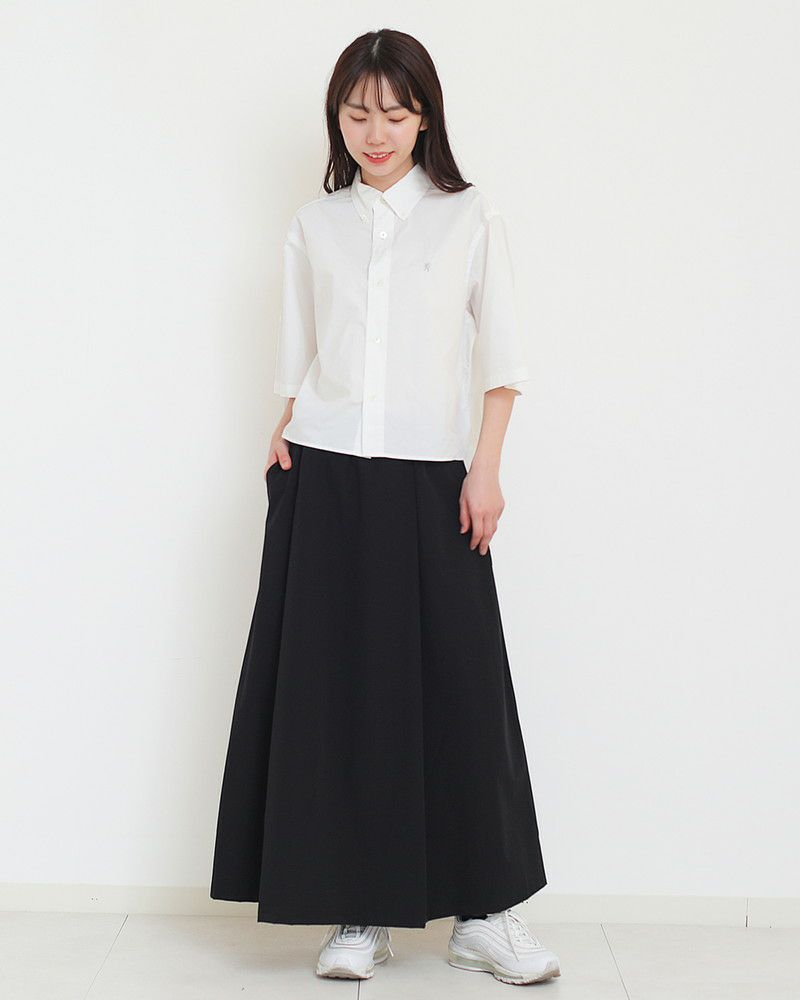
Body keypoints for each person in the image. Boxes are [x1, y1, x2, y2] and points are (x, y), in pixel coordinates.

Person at [209, 28, 562, 987]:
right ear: (337, 118)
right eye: (357, 113)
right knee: (338, 693)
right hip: (325, 472)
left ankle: (484, 914)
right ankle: (358, 911)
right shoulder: (314, 224)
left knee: (462, 690)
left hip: (432, 476)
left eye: (395, 114)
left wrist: (485, 471)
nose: (375, 133)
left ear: (426, 117)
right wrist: (282, 432)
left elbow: (503, 362)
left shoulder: (468, 215)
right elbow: (299, 358)